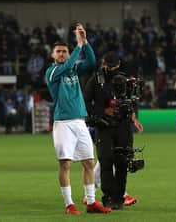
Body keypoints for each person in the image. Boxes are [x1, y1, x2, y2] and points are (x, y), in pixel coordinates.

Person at [46, 24, 111, 215]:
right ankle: (69, 204)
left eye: (64, 51)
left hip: (79, 121)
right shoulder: (51, 72)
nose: (62, 54)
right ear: (52, 55)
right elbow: (67, 65)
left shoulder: (73, 69)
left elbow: (91, 62)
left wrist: (85, 42)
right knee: (65, 164)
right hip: (63, 123)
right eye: (58, 51)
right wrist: (78, 46)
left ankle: (91, 202)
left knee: (88, 162)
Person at [83, 52, 143, 209]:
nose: (109, 69)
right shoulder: (96, 80)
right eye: (107, 66)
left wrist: (134, 117)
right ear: (104, 64)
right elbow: (86, 101)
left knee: (122, 162)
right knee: (106, 161)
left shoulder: (126, 80)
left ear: (118, 65)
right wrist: (103, 111)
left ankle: (119, 198)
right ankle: (108, 196)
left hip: (123, 125)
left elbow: (133, 101)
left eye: (112, 66)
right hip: (104, 125)